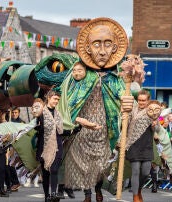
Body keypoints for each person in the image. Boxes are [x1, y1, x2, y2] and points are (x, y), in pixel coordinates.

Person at [57, 17, 134, 202]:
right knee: (85, 164)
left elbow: (128, 99)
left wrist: (128, 103)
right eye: (96, 44)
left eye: (107, 45)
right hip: (83, 128)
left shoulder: (117, 77)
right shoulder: (79, 73)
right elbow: (65, 102)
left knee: (101, 165)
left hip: (106, 128)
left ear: (115, 48)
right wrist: (76, 120)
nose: (101, 51)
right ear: (88, 48)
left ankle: (98, 189)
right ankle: (87, 193)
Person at [125, 90, 162, 202]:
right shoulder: (131, 110)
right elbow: (124, 125)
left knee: (146, 172)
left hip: (147, 145)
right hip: (133, 144)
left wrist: (154, 125)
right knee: (135, 171)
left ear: (148, 101)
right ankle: (135, 196)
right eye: (139, 100)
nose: (141, 102)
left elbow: (158, 129)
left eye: (143, 100)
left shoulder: (153, 111)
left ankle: (139, 189)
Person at [34, 91, 64, 202]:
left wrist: (75, 129)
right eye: (55, 99)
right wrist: (37, 125)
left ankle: (53, 194)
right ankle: (47, 196)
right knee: (46, 173)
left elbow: (61, 131)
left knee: (55, 169)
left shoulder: (58, 114)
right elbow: (36, 127)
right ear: (49, 98)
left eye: (58, 100)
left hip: (57, 146)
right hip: (44, 146)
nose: (56, 101)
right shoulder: (41, 112)